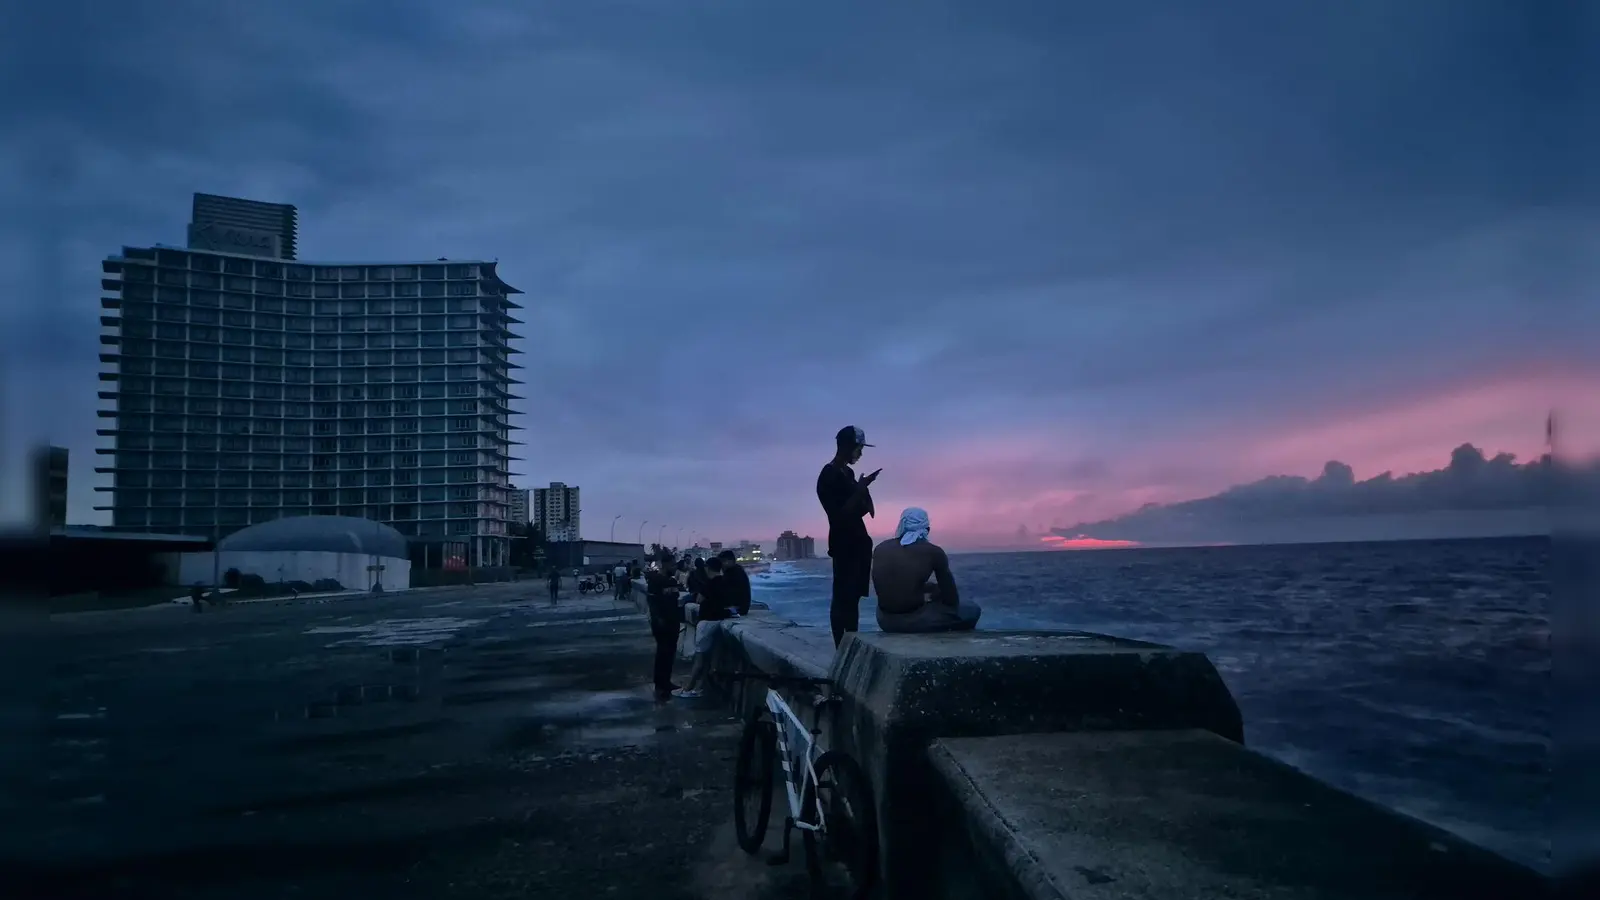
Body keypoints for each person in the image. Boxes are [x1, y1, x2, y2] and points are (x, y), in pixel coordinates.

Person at [817, 425, 880, 646]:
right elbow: (839, 514)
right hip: (844, 542)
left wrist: (865, 489)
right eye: (858, 448)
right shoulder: (829, 474)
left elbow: (858, 510)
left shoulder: (848, 473)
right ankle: (840, 648)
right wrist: (861, 489)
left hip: (858, 542)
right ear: (846, 446)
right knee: (842, 595)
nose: (860, 454)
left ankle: (851, 643)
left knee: (853, 597)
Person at [872, 507, 981, 633]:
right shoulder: (934, 552)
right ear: (927, 529)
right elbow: (951, 599)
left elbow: (894, 587)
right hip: (912, 622)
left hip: (883, 620)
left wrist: (924, 589)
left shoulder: (880, 548)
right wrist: (936, 593)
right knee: (972, 609)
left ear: (901, 525)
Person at [674, 556, 733, 699]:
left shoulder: (710, 584)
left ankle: (689, 688)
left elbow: (699, 599)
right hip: (720, 621)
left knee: (700, 658)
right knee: (708, 659)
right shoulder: (726, 582)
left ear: (708, 568)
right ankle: (700, 688)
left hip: (706, 622)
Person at [645, 559, 684, 700]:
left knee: (669, 654)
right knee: (663, 653)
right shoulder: (656, 581)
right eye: (672, 565)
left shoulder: (670, 581)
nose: (675, 567)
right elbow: (652, 602)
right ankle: (661, 683)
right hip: (662, 623)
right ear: (665, 565)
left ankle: (664, 682)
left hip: (672, 621)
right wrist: (658, 619)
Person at [718, 549, 752, 616]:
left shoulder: (733, 572)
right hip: (740, 607)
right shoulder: (736, 570)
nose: (721, 565)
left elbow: (726, 592)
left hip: (738, 609)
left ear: (730, 561)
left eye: (723, 561)